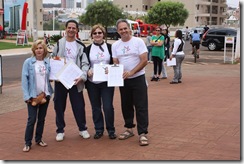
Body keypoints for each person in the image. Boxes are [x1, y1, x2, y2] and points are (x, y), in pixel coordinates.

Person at [112, 19, 149, 146]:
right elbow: (115, 62)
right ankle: (129, 128)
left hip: (138, 78)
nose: (123, 31)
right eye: (121, 29)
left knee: (141, 106)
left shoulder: (138, 42)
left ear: (129, 29)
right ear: (118, 31)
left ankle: (143, 133)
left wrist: (132, 72)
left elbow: (144, 60)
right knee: (126, 105)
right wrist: (115, 72)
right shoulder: (115, 45)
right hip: (124, 80)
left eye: (125, 28)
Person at [51, 19, 90, 141]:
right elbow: (53, 60)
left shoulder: (81, 46)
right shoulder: (59, 44)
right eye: (69, 27)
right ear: (66, 29)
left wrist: (82, 77)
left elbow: (85, 64)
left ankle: (82, 129)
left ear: (77, 30)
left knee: (79, 106)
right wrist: (54, 75)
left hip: (75, 81)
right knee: (59, 105)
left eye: (74, 28)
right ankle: (60, 130)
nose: (71, 30)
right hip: (61, 81)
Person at [21, 40, 54, 152]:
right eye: (37, 48)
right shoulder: (28, 62)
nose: (39, 50)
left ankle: (39, 139)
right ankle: (27, 142)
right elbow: (24, 80)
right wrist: (26, 96)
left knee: (41, 119)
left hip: (45, 95)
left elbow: (50, 77)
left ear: (44, 50)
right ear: (33, 50)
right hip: (33, 96)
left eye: (41, 48)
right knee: (32, 119)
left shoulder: (47, 62)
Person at [85, 24, 116, 140]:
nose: (97, 35)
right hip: (92, 82)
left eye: (99, 33)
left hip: (107, 82)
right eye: (95, 33)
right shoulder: (87, 49)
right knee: (96, 107)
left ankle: (111, 129)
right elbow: (84, 64)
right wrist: (87, 71)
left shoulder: (110, 47)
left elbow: (115, 63)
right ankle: (99, 129)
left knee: (108, 106)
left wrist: (112, 69)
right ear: (92, 35)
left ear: (103, 34)